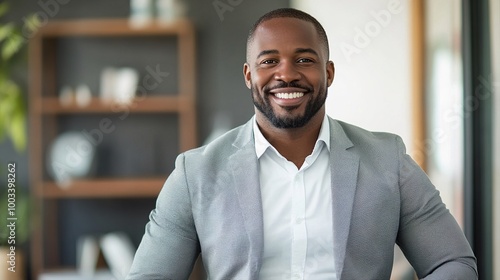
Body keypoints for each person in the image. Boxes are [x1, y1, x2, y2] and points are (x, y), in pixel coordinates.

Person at [126, 8, 477, 279]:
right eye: (269, 61)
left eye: (304, 59)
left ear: (328, 72)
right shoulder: (196, 172)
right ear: (249, 75)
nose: (287, 73)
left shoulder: (388, 159)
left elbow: (452, 263)